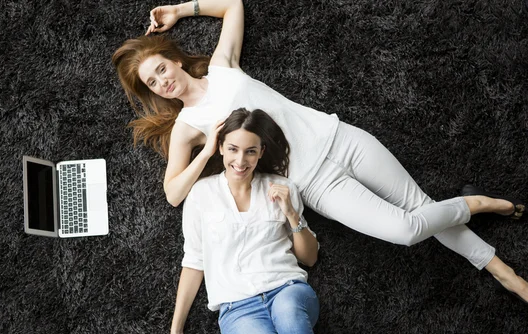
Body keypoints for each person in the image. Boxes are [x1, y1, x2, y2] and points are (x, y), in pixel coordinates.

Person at [111, 0, 528, 303]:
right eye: (151, 83)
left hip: (341, 137)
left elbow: (233, 6)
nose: (162, 82)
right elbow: (172, 193)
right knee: (407, 230)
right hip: (314, 184)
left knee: (420, 206)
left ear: (175, 60)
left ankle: (502, 271)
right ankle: (475, 202)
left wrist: (182, 11)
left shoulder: (222, 67)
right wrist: (208, 154)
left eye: (161, 68)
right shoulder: (186, 129)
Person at [166, 108, 322, 334]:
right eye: (233, 149)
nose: (241, 161)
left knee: (288, 314)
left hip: (287, 291)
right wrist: (176, 331)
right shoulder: (201, 194)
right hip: (239, 312)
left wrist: (290, 213)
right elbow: (193, 263)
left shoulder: (283, 187)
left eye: (250, 151)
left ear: (261, 152)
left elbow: (309, 258)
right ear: (221, 147)